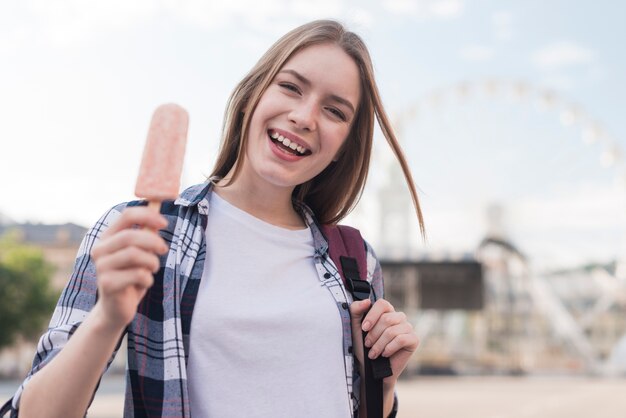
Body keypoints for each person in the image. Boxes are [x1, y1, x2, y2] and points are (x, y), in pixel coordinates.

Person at [9, 19, 424, 418]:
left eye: (335, 111)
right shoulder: (140, 231)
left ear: (343, 148)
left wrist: (381, 385)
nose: (305, 116)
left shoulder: (353, 260)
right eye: (290, 87)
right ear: (252, 95)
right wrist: (107, 319)